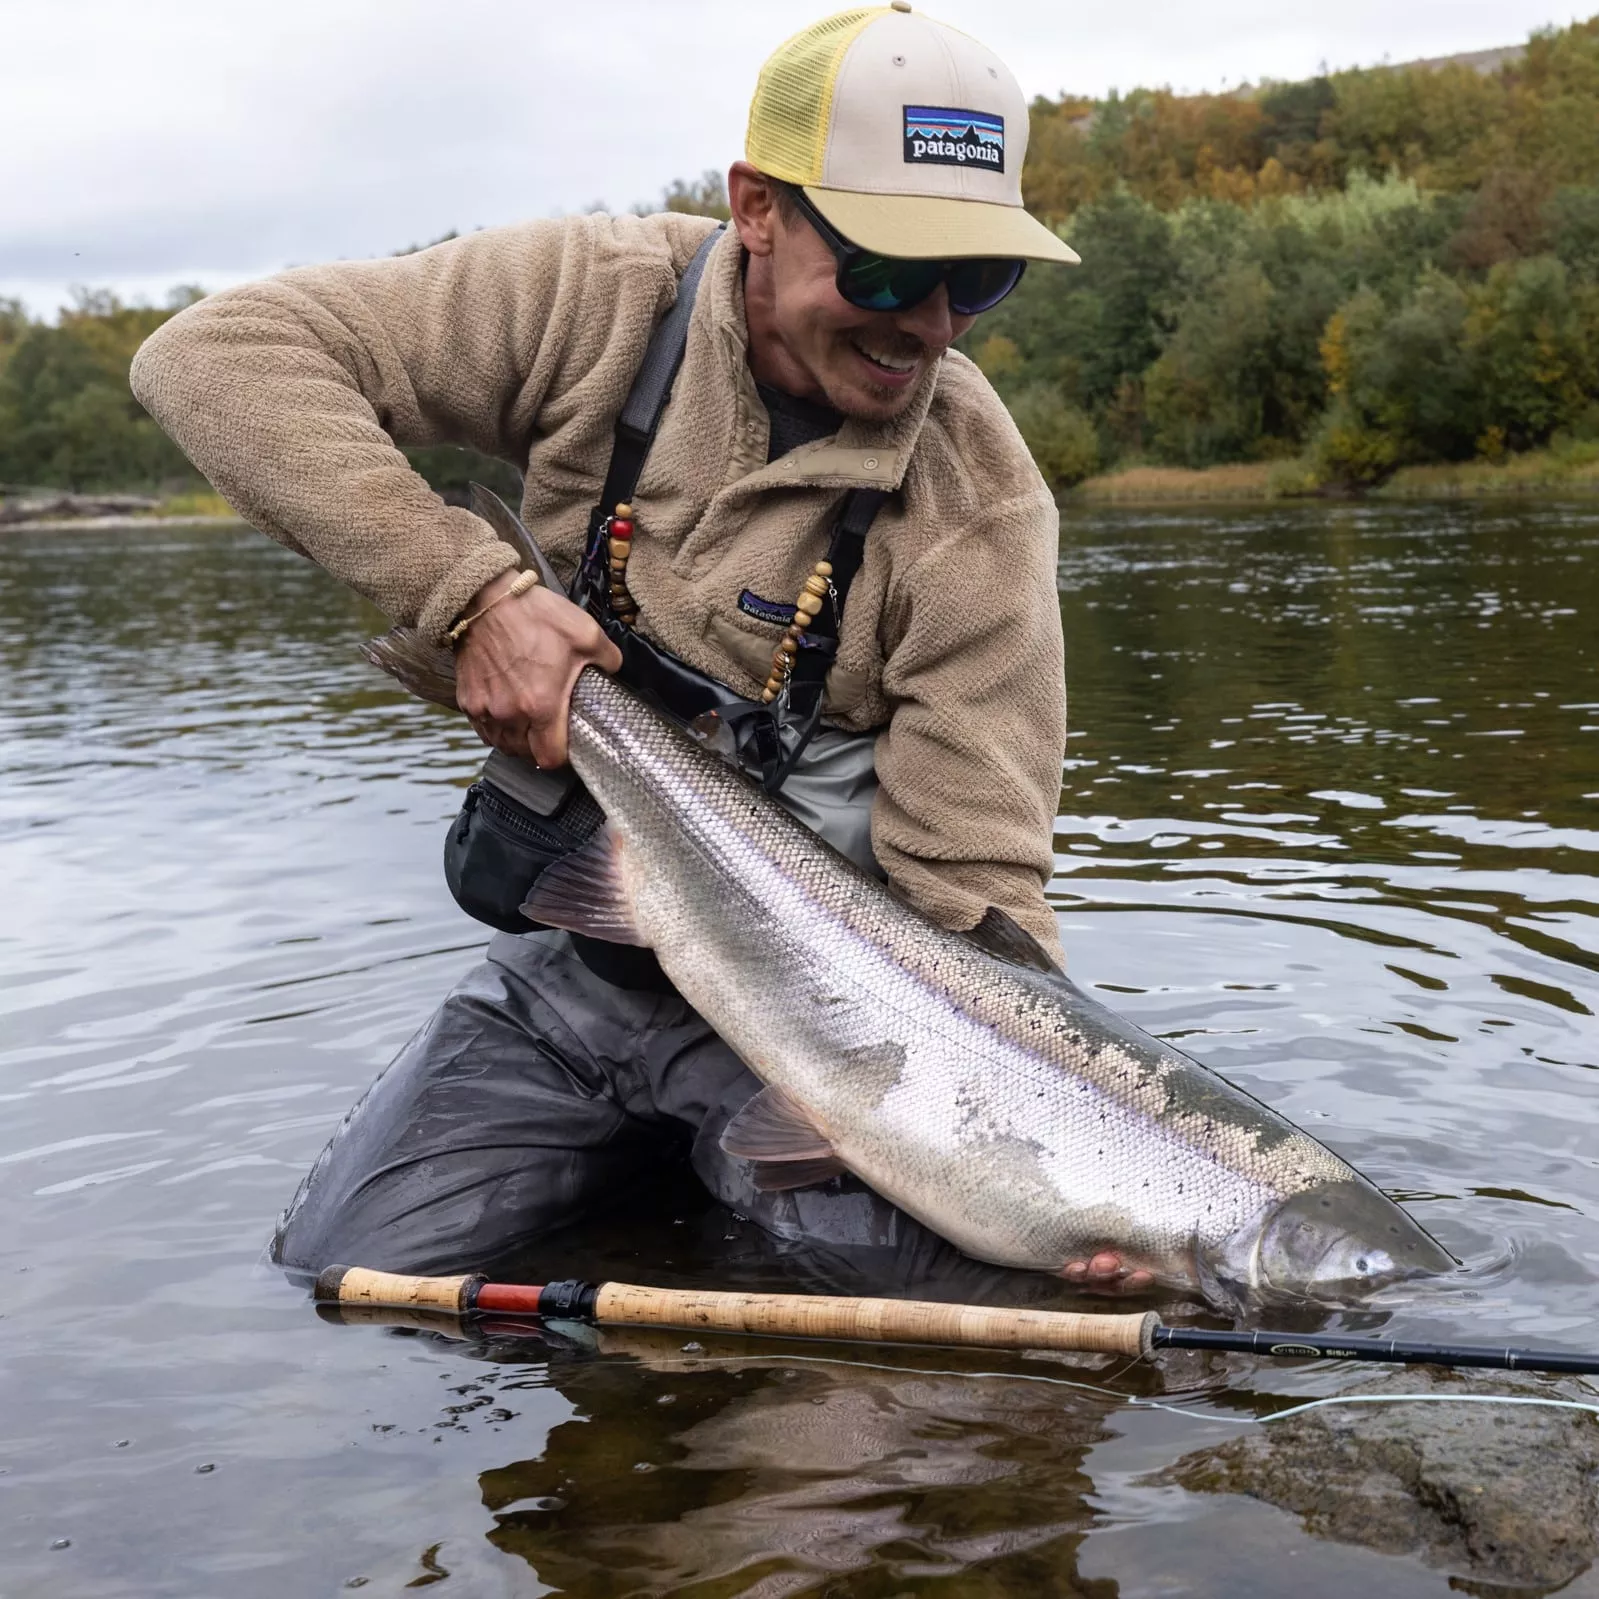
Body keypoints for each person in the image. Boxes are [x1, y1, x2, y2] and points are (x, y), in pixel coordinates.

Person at [132, 5, 1145, 1294]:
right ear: (758, 208)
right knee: (347, 1276)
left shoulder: (982, 512)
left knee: (932, 1317)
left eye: (975, 283)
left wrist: (1049, 1165)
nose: (928, 327)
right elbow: (215, 358)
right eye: (889, 269)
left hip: (824, 1034)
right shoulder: (592, 302)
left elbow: (973, 900)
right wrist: (471, 595)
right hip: (575, 963)